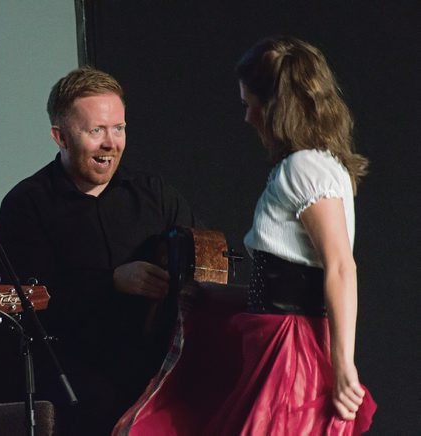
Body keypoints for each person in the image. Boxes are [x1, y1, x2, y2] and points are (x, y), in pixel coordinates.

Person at [113, 36, 377, 435]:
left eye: (249, 104)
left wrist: (344, 367)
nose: (248, 117)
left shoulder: (304, 168)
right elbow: (293, 280)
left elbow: (340, 267)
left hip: (291, 352)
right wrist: (217, 294)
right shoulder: (314, 164)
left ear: (275, 106)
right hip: (282, 343)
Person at [0, 66, 195, 435]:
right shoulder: (27, 205)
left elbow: (198, 268)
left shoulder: (156, 196)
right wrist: (112, 282)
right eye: (96, 131)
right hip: (71, 365)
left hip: (156, 357)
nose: (110, 143)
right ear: (61, 137)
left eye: (118, 129)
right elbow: (23, 307)